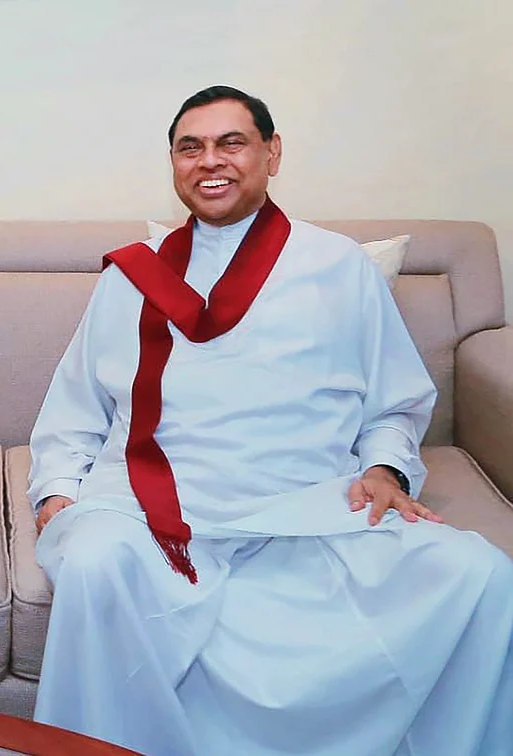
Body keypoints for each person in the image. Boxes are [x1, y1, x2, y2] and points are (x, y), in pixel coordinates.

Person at [28, 85, 513, 755]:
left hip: (307, 501)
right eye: (189, 147)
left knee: (481, 574)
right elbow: (74, 409)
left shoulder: (340, 266)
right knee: (92, 560)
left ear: (272, 153)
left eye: (231, 142)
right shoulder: (132, 279)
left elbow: (394, 402)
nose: (209, 161)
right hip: (152, 507)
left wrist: (383, 467)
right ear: (173, 164)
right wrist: (58, 490)